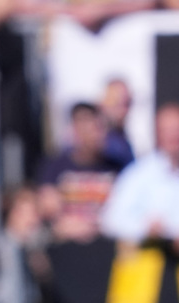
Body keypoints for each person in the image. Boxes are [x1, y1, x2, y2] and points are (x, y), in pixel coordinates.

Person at [36, 103, 127, 243]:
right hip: (66, 247)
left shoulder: (117, 167)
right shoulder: (55, 166)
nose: (95, 135)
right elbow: (48, 208)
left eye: (98, 128)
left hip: (105, 245)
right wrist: (68, 225)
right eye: (86, 128)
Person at [100, 102, 179, 245]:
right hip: (153, 257)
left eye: (176, 129)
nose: (174, 136)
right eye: (167, 130)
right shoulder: (139, 174)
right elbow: (110, 220)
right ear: (157, 133)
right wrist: (146, 228)